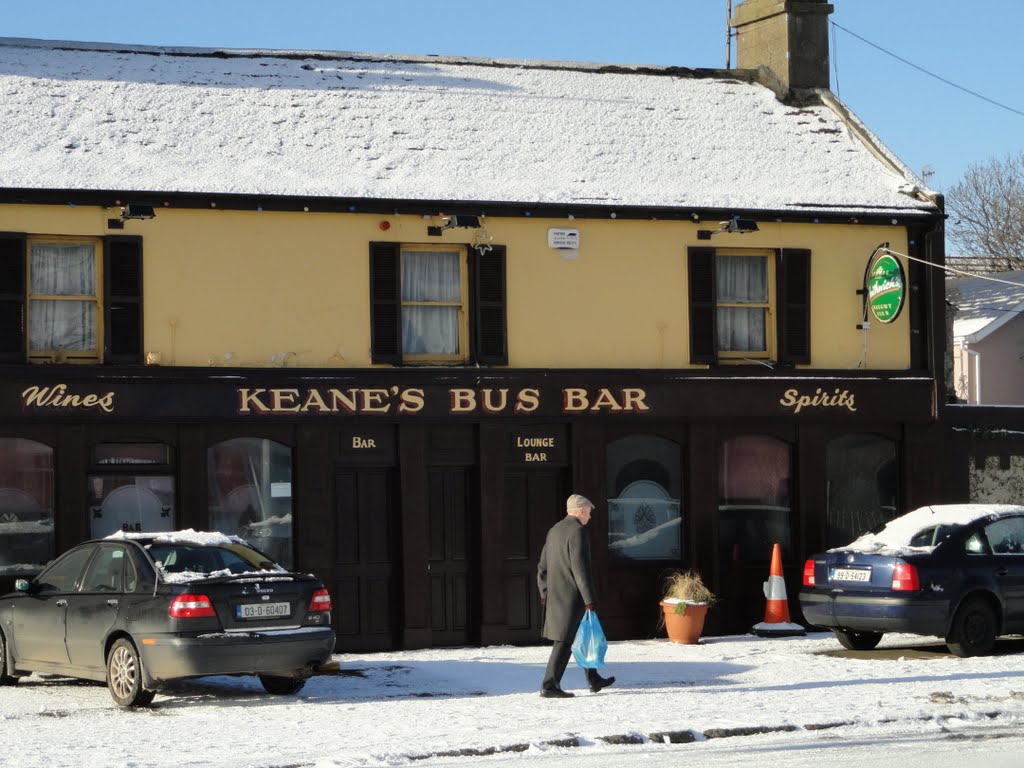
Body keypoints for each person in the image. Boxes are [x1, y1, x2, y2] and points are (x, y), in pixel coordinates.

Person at [536, 493, 616, 698]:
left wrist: (544, 591)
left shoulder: (554, 530)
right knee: (564, 641)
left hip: (557, 596)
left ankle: (594, 678)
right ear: (581, 511)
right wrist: (590, 599)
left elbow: (542, 567)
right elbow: (581, 569)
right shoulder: (577, 531)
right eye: (588, 512)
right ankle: (549, 685)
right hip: (573, 597)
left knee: (582, 636)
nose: (589, 517)